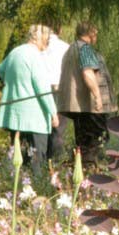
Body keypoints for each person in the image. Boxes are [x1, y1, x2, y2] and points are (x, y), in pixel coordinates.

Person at [0, 25, 59, 173]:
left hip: (15, 116)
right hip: (34, 119)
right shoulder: (35, 56)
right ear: (38, 37)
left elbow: (0, 70)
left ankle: (14, 190)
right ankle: (36, 191)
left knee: (17, 159)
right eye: (47, 38)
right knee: (37, 162)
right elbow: (42, 89)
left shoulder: (15, 52)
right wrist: (53, 113)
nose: (48, 41)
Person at [56, 22, 116, 171]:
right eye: (95, 33)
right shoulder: (85, 49)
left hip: (79, 106)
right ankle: (91, 171)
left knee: (83, 141)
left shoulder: (71, 49)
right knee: (97, 138)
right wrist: (98, 97)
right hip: (89, 106)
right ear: (90, 34)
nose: (96, 36)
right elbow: (88, 73)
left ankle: (81, 170)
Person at [42, 21, 71, 160]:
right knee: (58, 130)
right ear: (59, 30)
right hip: (62, 90)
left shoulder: (39, 48)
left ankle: (41, 161)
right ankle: (55, 163)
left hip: (43, 91)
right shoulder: (66, 47)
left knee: (42, 128)